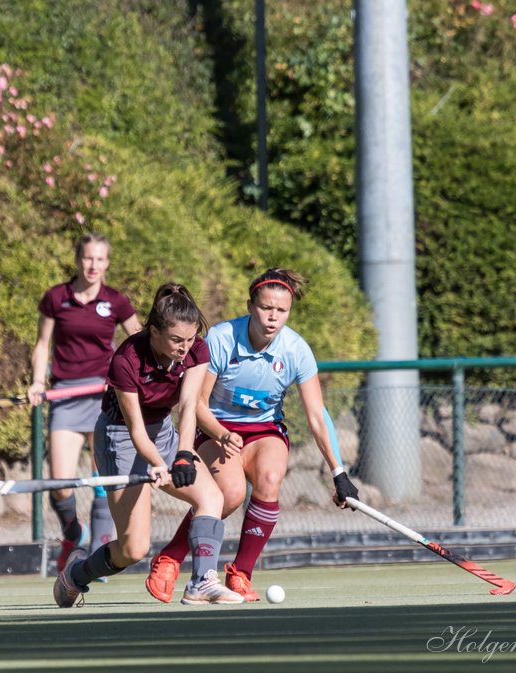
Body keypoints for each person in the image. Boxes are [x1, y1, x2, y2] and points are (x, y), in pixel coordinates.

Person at [145, 268, 359, 604]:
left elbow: (317, 415)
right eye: (265, 308)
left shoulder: (296, 350)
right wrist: (220, 432)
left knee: (271, 478)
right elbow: (196, 403)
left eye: (282, 310)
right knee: (228, 495)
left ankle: (241, 573)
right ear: (250, 305)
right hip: (217, 428)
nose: (273, 318)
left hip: (264, 431)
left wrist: (338, 472)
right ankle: (170, 557)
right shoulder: (221, 338)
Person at [54, 283, 244, 607]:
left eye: (189, 338)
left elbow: (187, 407)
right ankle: (75, 576)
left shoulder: (197, 349)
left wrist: (183, 455)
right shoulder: (126, 358)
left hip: (165, 432)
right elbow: (135, 428)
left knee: (213, 496)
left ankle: (202, 582)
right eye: (176, 340)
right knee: (133, 549)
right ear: (154, 331)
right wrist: (157, 463)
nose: (185, 347)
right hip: (120, 438)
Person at [28, 234, 142, 572]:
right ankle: (73, 534)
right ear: (78, 260)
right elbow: (41, 344)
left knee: (103, 481)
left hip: (104, 397)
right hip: (65, 395)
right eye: (88, 258)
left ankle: (99, 551)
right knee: (61, 484)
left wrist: (129, 378)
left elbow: (139, 342)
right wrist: (37, 381)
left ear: (107, 263)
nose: (93, 266)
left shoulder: (116, 302)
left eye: (100, 260)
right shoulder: (56, 298)